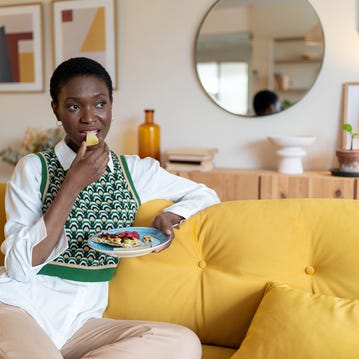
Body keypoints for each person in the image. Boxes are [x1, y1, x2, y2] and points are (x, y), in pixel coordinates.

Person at [0, 57, 220, 358]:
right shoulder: (34, 169)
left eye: (100, 104)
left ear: (111, 107)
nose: (90, 118)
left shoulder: (134, 171)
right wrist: (72, 185)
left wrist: (169, 216)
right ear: (57, 110)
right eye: (74, 106)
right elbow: (19, 267)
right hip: (17, 307)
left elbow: (205, 194)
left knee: (181, 342)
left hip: (78, 323)